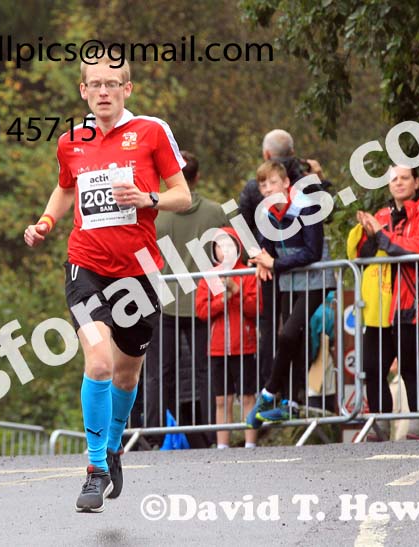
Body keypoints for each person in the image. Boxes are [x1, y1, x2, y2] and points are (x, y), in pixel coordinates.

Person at [23, 55, 191, 513]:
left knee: (125, 372)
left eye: (112, 84)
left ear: (127, 89)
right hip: (86, 266)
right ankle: (95, 468)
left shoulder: (152, 132)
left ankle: (113, 445)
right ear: (82, 91)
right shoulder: (70, 142)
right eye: (94, 84)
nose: (103, 92)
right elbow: (64, 188)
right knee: (97, 362)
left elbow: (184, 195)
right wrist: (44, 221)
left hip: (138, 271)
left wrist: (149, 197)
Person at [139, 151, 228, 447]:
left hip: (162, 302)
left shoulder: (155, 215)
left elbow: (142, 256)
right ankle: (210, 435)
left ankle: (152, 435)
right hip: (205, 303)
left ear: (170, 177)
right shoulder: (216, 212)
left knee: (156, 374)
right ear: (198, 177)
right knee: (206, 373)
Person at [348, 165, 419, 440]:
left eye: (404, 178)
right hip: (380, 307)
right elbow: (363, 256)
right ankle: (380, 425)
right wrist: (368, 232)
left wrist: (382, 236)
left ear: (416, 181)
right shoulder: (382, 214)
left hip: (412, 303)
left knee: (411, 368)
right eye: (394, 179)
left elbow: (418, 248)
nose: (399, 183)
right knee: (372, 368)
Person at [239, 130, 331, 387]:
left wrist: (273, 262)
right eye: (263, 185)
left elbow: (314, 245)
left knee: (289, 331)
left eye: (272, 183)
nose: (267, 189)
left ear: (286, 183)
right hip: (282, 273)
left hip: (310, 275)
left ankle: (279, 390)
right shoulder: (271, 205)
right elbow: (259, 233)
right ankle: (278, 391)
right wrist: (259, 258)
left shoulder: (305, 198)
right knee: (282, 332)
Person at [195, 227, 261, 449]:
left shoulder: (247, 273)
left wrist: (237, 292)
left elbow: (256, 308)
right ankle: (222, 445)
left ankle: (250, 443)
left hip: (245, 346)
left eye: (229, 245)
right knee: (222, 399)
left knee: (248, 397)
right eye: (220, 246)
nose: (225, 250)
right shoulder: (211, 275)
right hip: (218, 347)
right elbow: (201, 311)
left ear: (238, 248)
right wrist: (222, 300)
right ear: (214, 250)